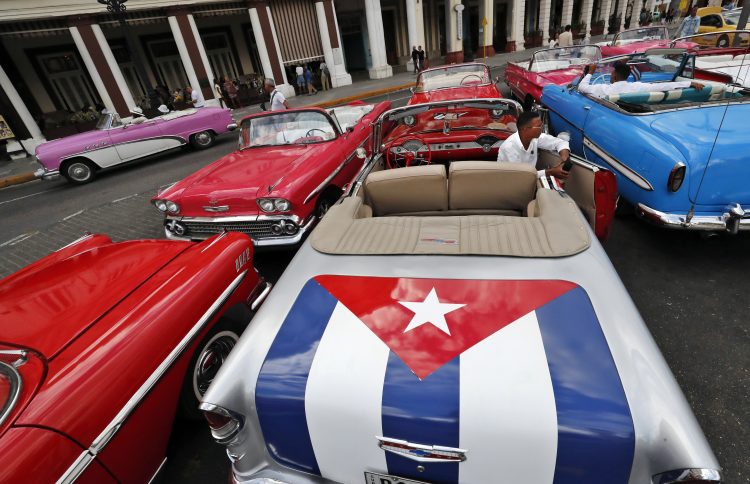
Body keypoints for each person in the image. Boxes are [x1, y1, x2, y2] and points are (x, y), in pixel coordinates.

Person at [496, 111, 571, 179]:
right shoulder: (509, 147)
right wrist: (550, 172)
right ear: (525, 129)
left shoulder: (535, 138)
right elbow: (519, 176)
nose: (541, 128)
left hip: (529, 181)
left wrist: (564, 158)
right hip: (509, 185)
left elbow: (560, 142)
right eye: (539, 126)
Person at [578, 62, 705, 99]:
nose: (610, 76)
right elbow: (663, 86)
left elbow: (581, 87)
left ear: (615, 76)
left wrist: (590, 73)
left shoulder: (603, 89)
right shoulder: (637, 87)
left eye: (611, 74)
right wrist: (689, 83)